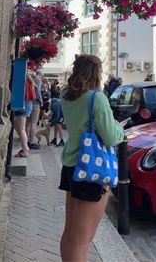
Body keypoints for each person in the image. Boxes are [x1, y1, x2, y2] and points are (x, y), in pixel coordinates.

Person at [59, 54, 124, 262]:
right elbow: (111, 137)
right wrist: (120, 129)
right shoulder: (97, 98)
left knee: (70, 233)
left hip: (71, 165)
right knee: (82, 240)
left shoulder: (65, 94)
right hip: (91, 170)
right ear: (96, 73)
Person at [14, 74, 36, 158]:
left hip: (23, 105)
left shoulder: (24, 82)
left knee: (21, 128)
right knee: (17, 126)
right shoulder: (30, 81)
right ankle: (25, 147)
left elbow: (20, 95)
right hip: (27, 104)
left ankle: (25, 150)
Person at [26, 69, 43, 150]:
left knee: (27, 122)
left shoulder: (30, 78)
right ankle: (31, 142)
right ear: (41, 74)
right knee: (33, 123)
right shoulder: (38, 80)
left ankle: (25, 140)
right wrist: (41, 102)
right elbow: (38, 91)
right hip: (35, 103)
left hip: (28, 102)